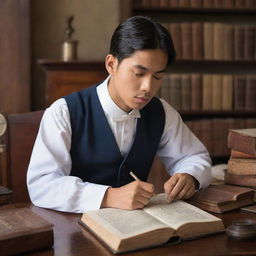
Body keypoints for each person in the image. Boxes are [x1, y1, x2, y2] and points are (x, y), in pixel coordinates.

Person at [27, 16, 212, 213]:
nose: (148, 87)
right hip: (74, 228)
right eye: (138, 74)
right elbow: (42, 184)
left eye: (158, 76)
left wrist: (189, 175)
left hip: (135, 229)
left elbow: (194, 156)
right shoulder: (64, 111)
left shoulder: (162, 112)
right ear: (111, 64)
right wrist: (107, 196)